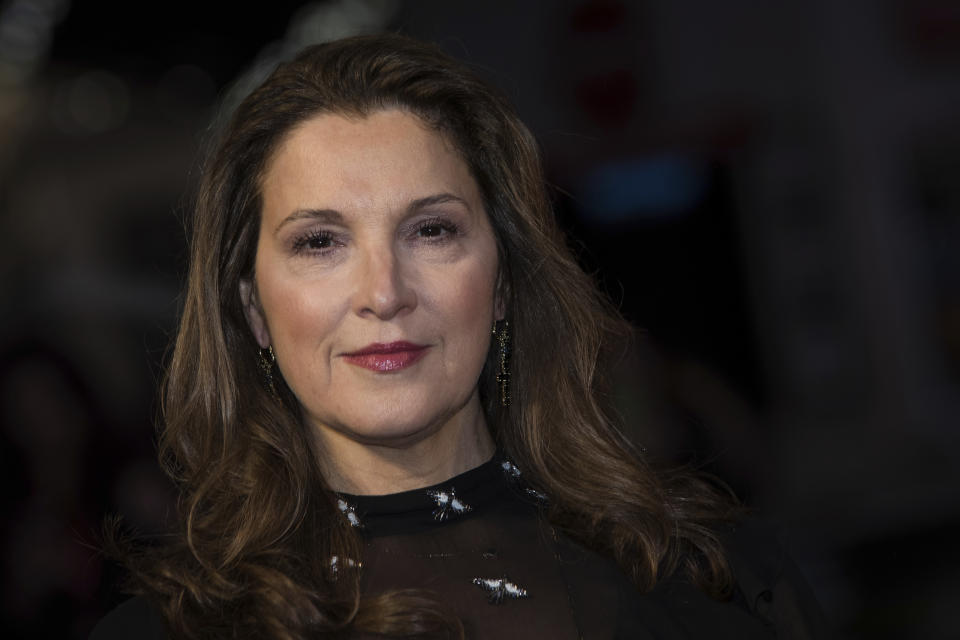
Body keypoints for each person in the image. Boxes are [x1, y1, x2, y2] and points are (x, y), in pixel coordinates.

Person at [91, 33, 828, 639]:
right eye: (320, 243)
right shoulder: (170, 632)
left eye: (432, 230)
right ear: (253, 309)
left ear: (503, 283)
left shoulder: (719, 581)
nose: (384, 293)